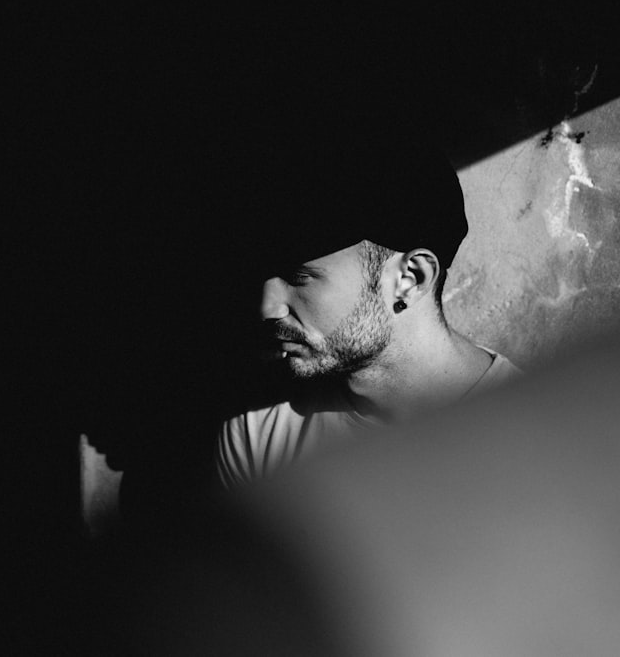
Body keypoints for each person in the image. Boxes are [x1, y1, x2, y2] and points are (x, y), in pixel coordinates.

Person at [216, 128, 522, 488]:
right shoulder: (260, 426)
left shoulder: (538, 440)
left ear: (411, 278)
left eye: (298, 277)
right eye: (261, 276)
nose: (267, 308)